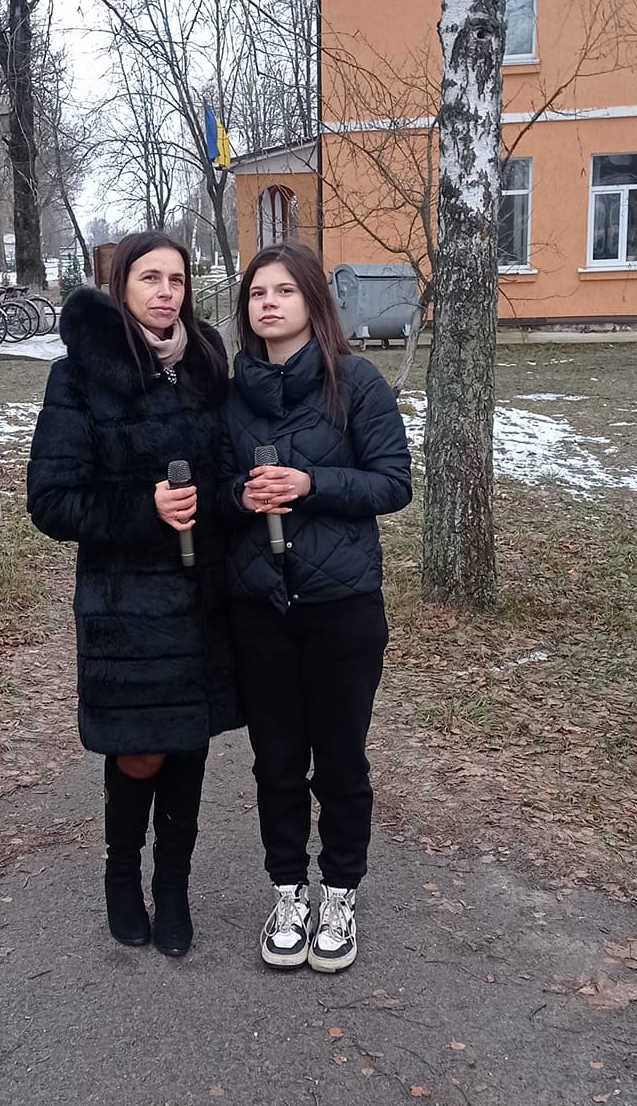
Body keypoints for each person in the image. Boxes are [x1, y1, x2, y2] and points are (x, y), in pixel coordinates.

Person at [27, 231, 240, 958]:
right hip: (127, 607)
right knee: (140, 751)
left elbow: (227, 466)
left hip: (204, 597)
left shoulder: (207, 364)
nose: (165, 292)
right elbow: (51, 501)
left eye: (176, 279)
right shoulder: (80, 376)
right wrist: (142, 511)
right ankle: (122, 875)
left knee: (188, 746)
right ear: (121, 287)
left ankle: (173, 887)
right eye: (150, 278)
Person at [220, 242, 412, 974]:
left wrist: (311, 483)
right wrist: (239, 495)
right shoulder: (231, 394)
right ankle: (287, 893)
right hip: (259, 608)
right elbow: (214, 484)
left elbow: (393, 483)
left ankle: (338, 893)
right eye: (256, 294)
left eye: (283, 291)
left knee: (338, 763)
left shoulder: (355, 382)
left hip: (342, 607)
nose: (268, 304)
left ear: (312, 302)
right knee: (275, 763)